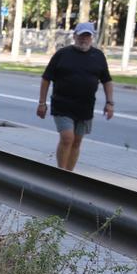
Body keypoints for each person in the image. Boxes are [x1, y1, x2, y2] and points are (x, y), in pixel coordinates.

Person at [37, 22, 114, 172]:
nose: (84, 39)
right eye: (81, 36)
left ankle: (69, 174)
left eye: (87, 36)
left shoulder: (98, 56)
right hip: (62, 104)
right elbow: (46, 78)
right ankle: (61, 172)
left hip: (85, 107)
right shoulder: (62, 54)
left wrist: (110, 103)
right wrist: (42, 103)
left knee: (77, 141)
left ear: (92, 38)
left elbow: (107, 81)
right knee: (67, 138)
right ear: (74, 36)